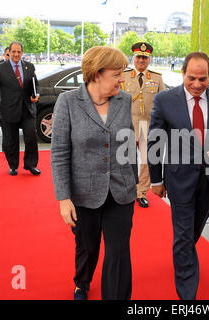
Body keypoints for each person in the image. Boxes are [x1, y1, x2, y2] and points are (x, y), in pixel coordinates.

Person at [148, 52, 209, 299]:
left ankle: (182, 257)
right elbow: (155, 142)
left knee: (192, 230)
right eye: (192, 78)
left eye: (203, 79)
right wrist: (156, 180)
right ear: (182, 73)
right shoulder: (165, 99)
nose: (197, 84)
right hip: (179, 178)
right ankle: (187, 293)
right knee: (182, 232)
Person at [51, 46, 138, 300]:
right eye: (117, 73)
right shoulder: (68, 102)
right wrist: (63, 198)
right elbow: (59, 153)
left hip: (121, 191)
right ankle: (82, 281)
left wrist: (135, 183)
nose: (122, 79)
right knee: (88, 248)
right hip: (84, 193)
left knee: (118, 251)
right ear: (97, 74)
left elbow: (128, 142)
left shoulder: (123, 100)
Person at [121, 42, 165, 208]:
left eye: (145, 57)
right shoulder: (124, 76)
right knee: (127, 160)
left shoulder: (157, 78)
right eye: (139, 57)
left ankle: (141, 193)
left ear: (149, 59)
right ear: (134, 57)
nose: (141, 60)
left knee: (147, 161)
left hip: (148, 127)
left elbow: (162, 102)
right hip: (127, 125)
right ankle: (127, 190)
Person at [0, 41, 40, 176]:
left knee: (31, 137)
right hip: (8, 109)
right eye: (14, 51)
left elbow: (35, 84)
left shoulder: (29, 67)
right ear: (9, 52)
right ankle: (13, 165)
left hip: (27, 109)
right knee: (11, 140)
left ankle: (30, 164)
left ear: (22, 53)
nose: (16, 54)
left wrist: (36, 94)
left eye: (19, 52)